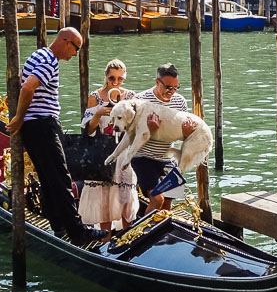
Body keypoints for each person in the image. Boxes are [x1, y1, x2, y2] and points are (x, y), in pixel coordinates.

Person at [6, 28, 108, 245]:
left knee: (48, 177)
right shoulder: (49, 60)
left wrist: (22, 119)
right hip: (43, 124)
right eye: (76, 48)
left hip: (34, 127)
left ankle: (58, 225)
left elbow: (25, 83)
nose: (75, 54)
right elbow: (27, 87)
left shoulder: (38, 54)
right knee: (61, 178)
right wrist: (18, 117)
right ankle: (78, 232)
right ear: (65, 41)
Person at [78, 60, 139, 242]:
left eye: (120, 78)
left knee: (125, 197)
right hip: (102, 152)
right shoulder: (95, 97)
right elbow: (88, 131)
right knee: (104, 199)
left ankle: (128, 240)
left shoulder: (130, 96)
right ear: (106, 76)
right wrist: (98, 114)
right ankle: (105, 240)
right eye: (112, 78)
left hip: (123, 153)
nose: (115, 82)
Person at [131, 63, 197, 214]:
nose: (172, 92)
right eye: (168, 87)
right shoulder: (140, 99)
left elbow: (182, 136)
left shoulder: (180, 102)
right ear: (157, 82)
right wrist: (148, 130)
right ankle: (146, 233)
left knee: (169, 199)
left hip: (166, 157)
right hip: (143, 157)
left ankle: (161, 232)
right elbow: (130, 134)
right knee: (157, 199)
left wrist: (186, 133)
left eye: (175, 88)